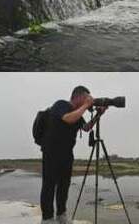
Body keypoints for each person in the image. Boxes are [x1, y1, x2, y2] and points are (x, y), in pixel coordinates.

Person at [40, 86, 107, 224]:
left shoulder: (78, 114)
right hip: (51, 152)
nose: (89, 100)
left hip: (67, 154)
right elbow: (68, 119)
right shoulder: (61, 105)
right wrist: (87, 105)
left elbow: (86, 128)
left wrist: (98, 114)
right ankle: (47, 218)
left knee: (64, 184)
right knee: (49, 184)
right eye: (86, 97)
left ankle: (61, 214)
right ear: (78, 96)